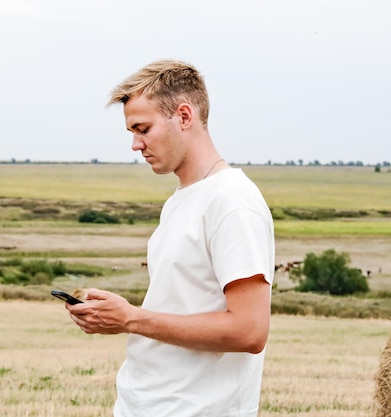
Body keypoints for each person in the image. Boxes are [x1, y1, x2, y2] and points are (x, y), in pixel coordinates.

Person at [66, 59, 275, 417]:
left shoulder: (233, 201)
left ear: (183, 116)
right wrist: (115, 315)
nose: (135, 144)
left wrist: (130, 318)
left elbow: (249, 330)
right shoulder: (182, 200)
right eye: (132, 132)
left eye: (143, 129)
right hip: (148, 404)